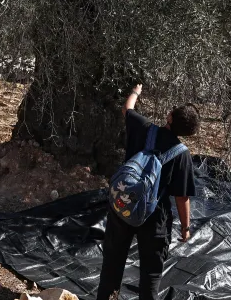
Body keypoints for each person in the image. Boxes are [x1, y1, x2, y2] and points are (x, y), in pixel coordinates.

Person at [96, 84, 199, 300]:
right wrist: (186, 228)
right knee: (150, 275)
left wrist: (135, 92)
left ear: (169, 116)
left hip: (123, 206)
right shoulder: (182, 155)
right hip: (155, 220)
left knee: (112, 266)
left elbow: (127, 109)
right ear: (189, 132)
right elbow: (182, 197)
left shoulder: (144, 128)